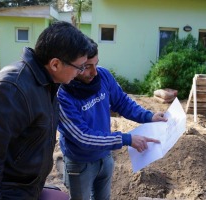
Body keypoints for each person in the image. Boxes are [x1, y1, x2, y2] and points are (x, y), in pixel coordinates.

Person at [0, 21, 91, 199]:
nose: (81, 72)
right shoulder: (9, 90)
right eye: (80, 67)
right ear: (55, 64)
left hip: (26, 189)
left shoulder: (46, 84)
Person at [57, 38, 168, 200]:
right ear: (73, 64)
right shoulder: (62, 96)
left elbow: (122, 102)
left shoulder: (103, 75)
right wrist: (126, 139)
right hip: (80, 163)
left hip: (105, 156)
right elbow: (83, 137)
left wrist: (148, 116)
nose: (94, 72)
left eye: (96, 64)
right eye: (87, 67)